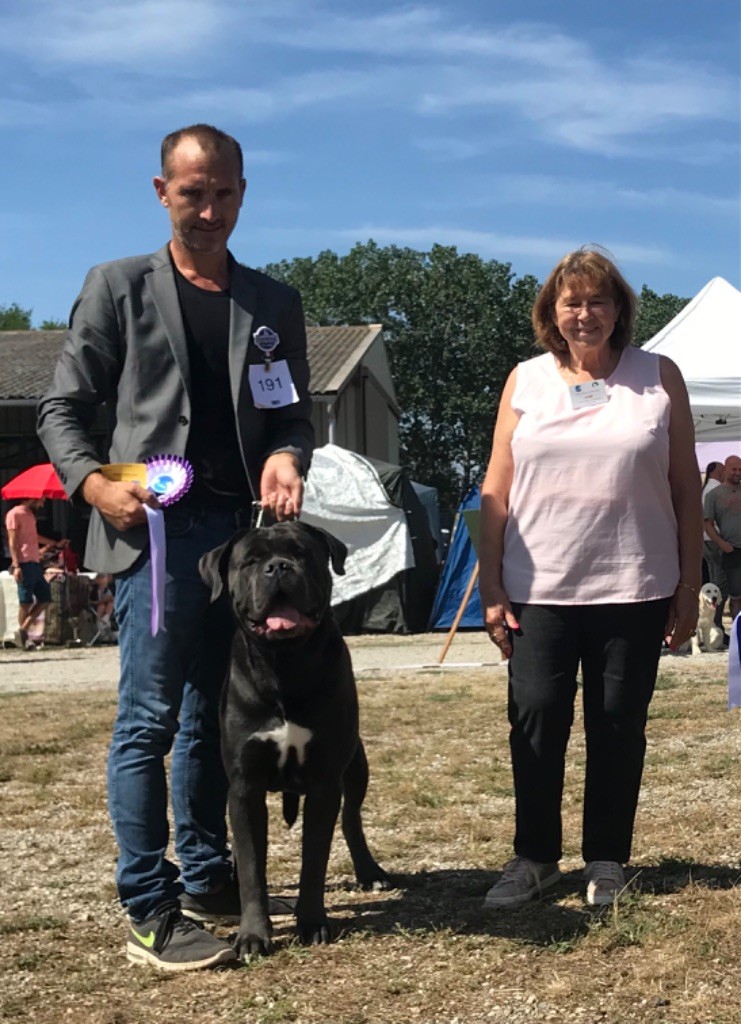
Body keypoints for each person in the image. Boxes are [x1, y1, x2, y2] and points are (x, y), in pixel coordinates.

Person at [38, 124, 314, 971]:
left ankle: (204, 874)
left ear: (242, 193)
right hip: (152, 538)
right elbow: (61, 409)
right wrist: (93, 484)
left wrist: (286, 454)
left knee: (209, 721)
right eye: (192, 193)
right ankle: (149, 910)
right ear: (161, 192)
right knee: (148, 722)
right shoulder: (116, 286)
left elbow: (293, 414)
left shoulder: (272, 303)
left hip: (239, 550)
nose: (209, 210)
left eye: (223, 193)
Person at [478, 246, 701, 911]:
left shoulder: (658, 375)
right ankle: (535, 858)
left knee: (617, 724)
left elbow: (684, 486)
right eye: (570, 302)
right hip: (537, 586)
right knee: (536, 719)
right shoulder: (525, 380)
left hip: (635, 583)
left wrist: (688, 585)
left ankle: (606, 859)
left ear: (618, 309)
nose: (584, 314)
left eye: (597, 300)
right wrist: (490, 585)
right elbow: (496, 487)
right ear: (551, 312)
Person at [5, 497, 58, 649]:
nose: (42, 504)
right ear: (32, 498)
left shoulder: (30, 514)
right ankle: (23, 638)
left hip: (35, 561)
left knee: (45, 597)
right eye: (41, 500)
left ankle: (23, 630)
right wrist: (16, 565)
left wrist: (54, 543)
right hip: (23, 562)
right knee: (25, 601)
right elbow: (12, 541)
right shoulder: (14, 514)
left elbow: (34, 536)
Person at [703, 455, 741, 622]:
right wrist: (722, 544)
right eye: (734, 469)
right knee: (734, 595)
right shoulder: (713, 494)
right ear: (725, 470)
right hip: (731, 550)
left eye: (740, 469)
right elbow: (708, 524)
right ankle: (736, 632)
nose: (737, 473)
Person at [701, 460, 727, 624]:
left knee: (712, 581)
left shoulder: (704, 490)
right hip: (716, 540)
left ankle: (711, 622)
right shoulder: (716, 490)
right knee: (720, 585)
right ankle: (716, 623)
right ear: (717, 471)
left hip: (706, 540)